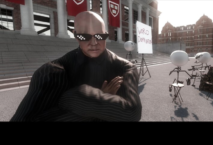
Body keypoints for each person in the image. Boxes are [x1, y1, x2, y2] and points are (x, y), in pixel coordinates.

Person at [10, 11, 142, 121]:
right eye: (85, 36)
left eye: (100, 36)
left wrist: (76, 96)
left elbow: (131, 114)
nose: (94, 42)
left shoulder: (125, 68)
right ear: (75, 35)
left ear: (106, 34)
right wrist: (101, 99)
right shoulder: (52, 72)